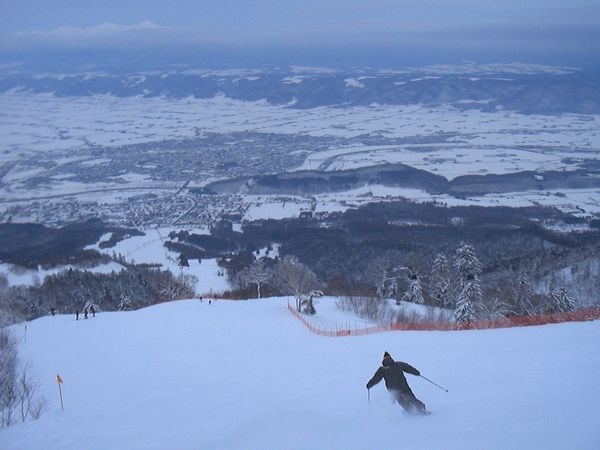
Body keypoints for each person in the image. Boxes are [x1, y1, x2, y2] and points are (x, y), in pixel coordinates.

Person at [366, 351, 428, 415]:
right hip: (404, 386)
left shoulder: (382, 369)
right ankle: (421, 408)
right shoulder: (398, 364)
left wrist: (369, 385)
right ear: (391, 358)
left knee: (401, 401)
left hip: (393, 389)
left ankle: (410, 410)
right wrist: (416, 372)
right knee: (411, 398)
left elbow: (376, 378)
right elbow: (408, 368)